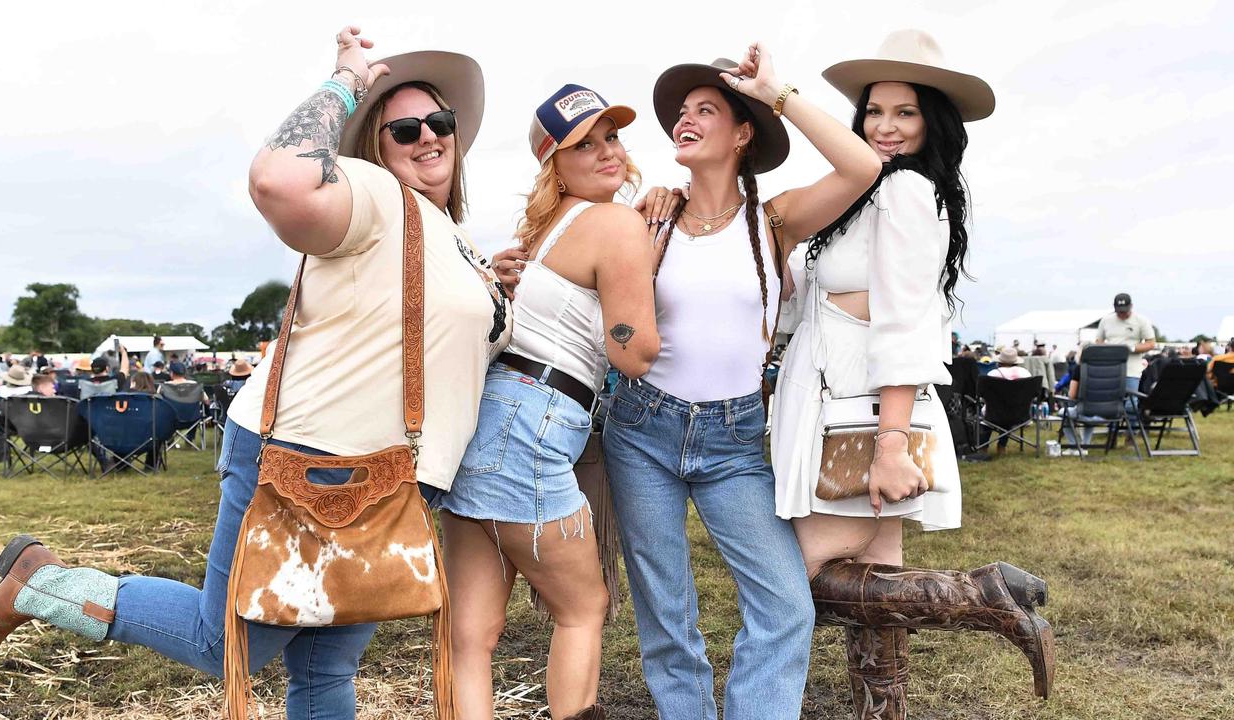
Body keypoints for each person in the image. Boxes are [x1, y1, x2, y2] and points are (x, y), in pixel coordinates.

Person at [0, 28, 509, 720]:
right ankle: (42, 586)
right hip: (317, 465)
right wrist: (346, 80)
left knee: (327, 666)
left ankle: (43, 584)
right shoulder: (371, 195)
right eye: (405, 127)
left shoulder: (453, 238)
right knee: (222, 645)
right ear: (376, 146)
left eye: (440, 121)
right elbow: (279, 178)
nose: (428, 136)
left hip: (389, 478)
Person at [771, 29, 1054, 717]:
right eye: (874, 111)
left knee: (793, 580)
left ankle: (985, 595)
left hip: (866, 414)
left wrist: (892, 444)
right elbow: (811, 307)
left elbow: (903, 324)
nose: (886, 126)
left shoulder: (904, 192)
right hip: (840, 402)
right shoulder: (863, 193)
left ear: (933, 121)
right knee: (878, 583)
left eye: (905, 112)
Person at [601, 44, 880, 720]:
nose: (685, 121)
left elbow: (862, 166)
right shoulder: (650, 219)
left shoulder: (773, 220)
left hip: (732, 440)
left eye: (706, 110)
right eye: (681, 114)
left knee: (785, 604)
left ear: (744, 132)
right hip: (641, 430)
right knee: (665, 609)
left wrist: (776, 91)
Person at [444, 85, 657, 720]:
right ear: (552, 164)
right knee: (583, 609)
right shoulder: (617, 224)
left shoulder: (537, 234)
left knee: (471, 639)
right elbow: (633, 353)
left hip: (483, 422)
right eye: (582, 145)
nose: (605, 152)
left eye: (610, 136)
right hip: (535, 423)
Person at [1095, 292, 1155, 395]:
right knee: (1109, 398)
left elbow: (1151, 343)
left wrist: (1131, 348)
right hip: (1110, 369)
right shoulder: (1106, 320)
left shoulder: (1141, 321)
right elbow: (1098, 341)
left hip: (1132, 370)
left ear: (1131, 306)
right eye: (1119, 311)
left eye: (1125, 311)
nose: (1122, 314)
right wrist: (1107, 350)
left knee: (1130, 402)